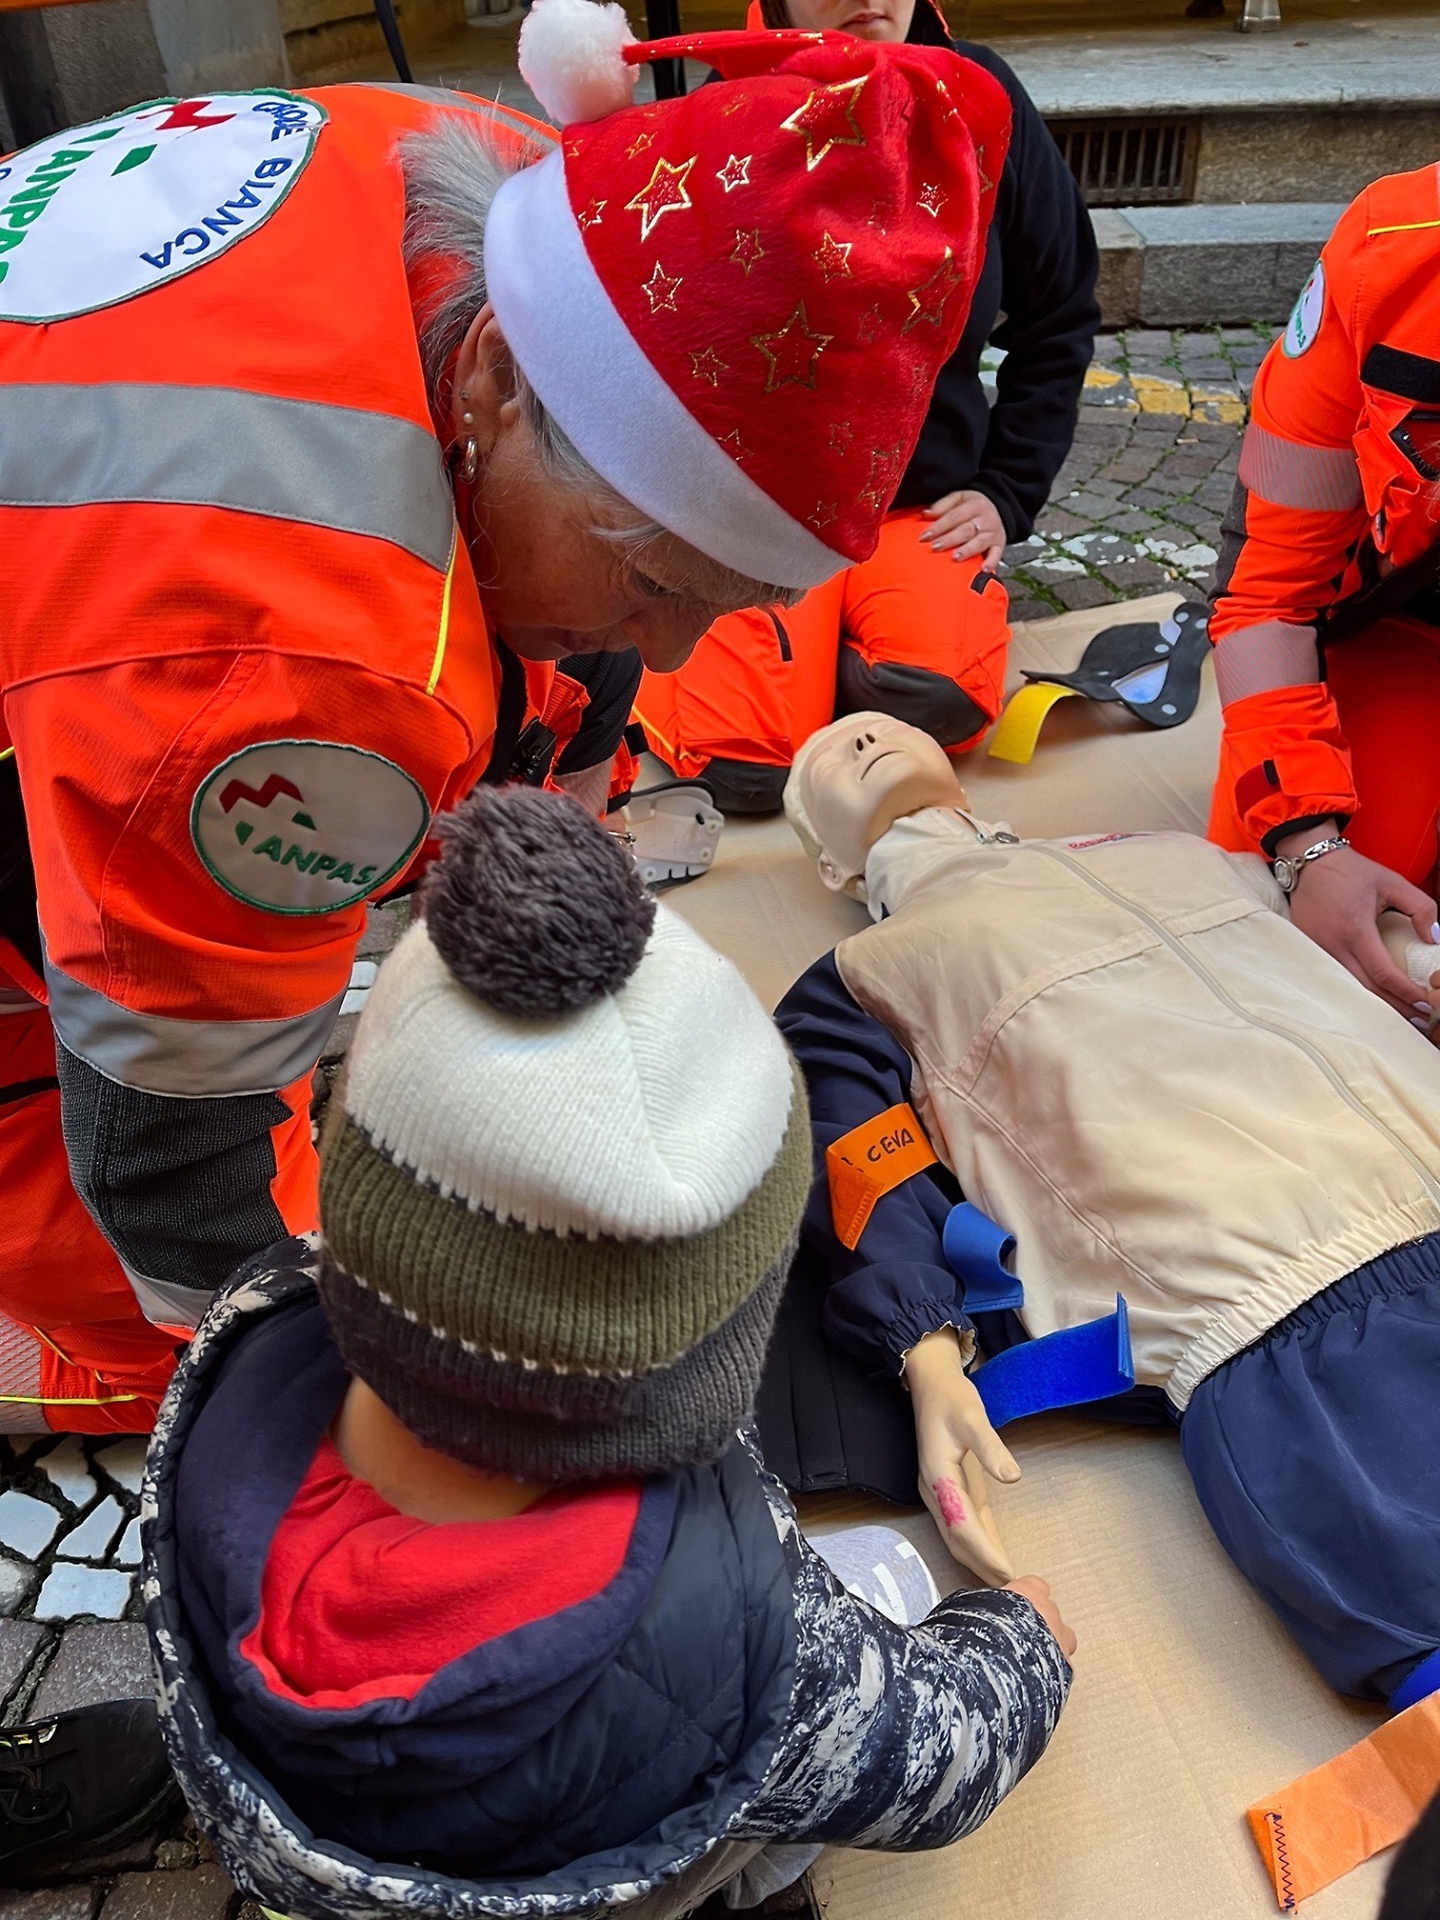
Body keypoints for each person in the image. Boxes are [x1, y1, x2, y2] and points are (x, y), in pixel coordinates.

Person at [0, 5, 1010, 1433]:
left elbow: (581, 648)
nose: (671, 653)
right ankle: (77, 1367)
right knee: (118, 1256)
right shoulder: (301, 669)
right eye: (656, 583)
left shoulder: (567, 213)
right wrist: (345, 1406)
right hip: (152, 630)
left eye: (736, 602)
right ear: (490, 381)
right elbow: (174, 1149)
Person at [127, 786, 1076, 1919]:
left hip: (291, 1837)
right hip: (583, 1850)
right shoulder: (724, 1630)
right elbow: (933, 1763)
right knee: (850, 1646)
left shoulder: (253, 1318)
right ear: (701, 1362)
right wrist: (1024, 1645)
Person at [763, 710, 1440, 1710]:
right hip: (1276, 1310)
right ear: (832, 867)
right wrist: (926, 1351)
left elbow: (1378, 953)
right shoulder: (864, 975)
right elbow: (859, 1162)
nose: (859, 738)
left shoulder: (1184, 855)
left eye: (881, 726)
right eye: (826, 755)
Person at [633, 0, 1099, 812]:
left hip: (920, 504)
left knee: (932, 702)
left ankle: (836, 651)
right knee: (738, 768)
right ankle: (796, 664)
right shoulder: (721, 109)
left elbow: (1059, 310)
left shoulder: (982, 93)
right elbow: (649, 338)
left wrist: (1007, 490)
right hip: (762, 512)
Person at [1207, 162, 1440, 1018]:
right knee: (1262, 934)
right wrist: (1308, 844)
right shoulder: (1388, 252)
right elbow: (1266, 594)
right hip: (1404, 629)